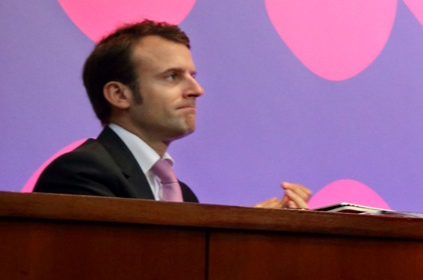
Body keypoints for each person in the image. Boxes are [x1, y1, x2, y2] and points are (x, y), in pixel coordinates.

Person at [34, 20, 311, 209]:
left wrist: (261, 231)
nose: (197, 90)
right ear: (119, 95)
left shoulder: (183, 195)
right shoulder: (81, 174)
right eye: (171, 76)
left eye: (192, 75)